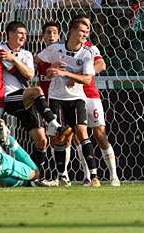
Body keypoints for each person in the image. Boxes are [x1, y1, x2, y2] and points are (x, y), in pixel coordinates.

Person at [0, 21, 70, 182]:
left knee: (42, 141)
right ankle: (54, 124)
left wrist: (14, 60)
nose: (24, 36)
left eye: (25, 33)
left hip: (23, 98)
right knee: (37, 90)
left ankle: (33, 177)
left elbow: (29, 75)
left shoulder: (27, 55)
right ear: (10, 34)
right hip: (5, 97)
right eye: (20, 33)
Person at [36, 18, 101, 187]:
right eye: (81, 31)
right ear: (72, 31)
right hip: (56, 97)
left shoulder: (87, 53)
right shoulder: (55, 49)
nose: (84, 35)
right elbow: (35, 60)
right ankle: (62, 176)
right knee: (59, 136)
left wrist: (67, 74)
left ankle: (94, 177)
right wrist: (50, 70)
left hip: (77, 98)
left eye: (86, 32)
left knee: (81, 133)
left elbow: (87, 80)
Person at [74, 14, 120, 187]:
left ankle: (114, 176)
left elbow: (101, 65)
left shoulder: (90, 48)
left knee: (99, 134)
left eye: (88, 28)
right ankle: (88, 176)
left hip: (90, 94)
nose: (86, 31)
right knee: (79, 135)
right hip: (72, 95)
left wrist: (81, 74)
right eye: (83, 27)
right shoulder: (63, 48)